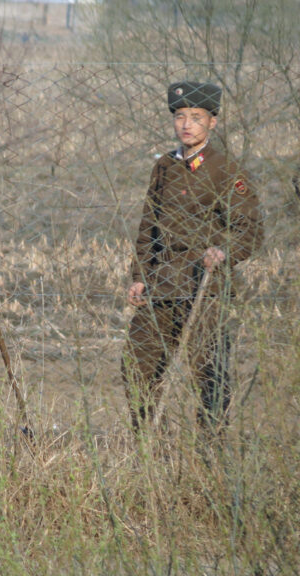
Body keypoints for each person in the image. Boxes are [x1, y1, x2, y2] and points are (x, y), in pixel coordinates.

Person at [122, 81, 263, 438]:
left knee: (209, 372)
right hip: (162, 285)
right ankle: (151, 447)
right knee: (137, 364)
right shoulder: (164, 167)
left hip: (206, 287)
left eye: (196, 117)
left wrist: (224, 251)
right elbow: (147, 227)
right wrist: (139, 275)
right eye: (180, 116)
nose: (187, 124)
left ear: (212, 122)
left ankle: (208, 449)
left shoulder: (225, 169)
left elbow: (250, 229)